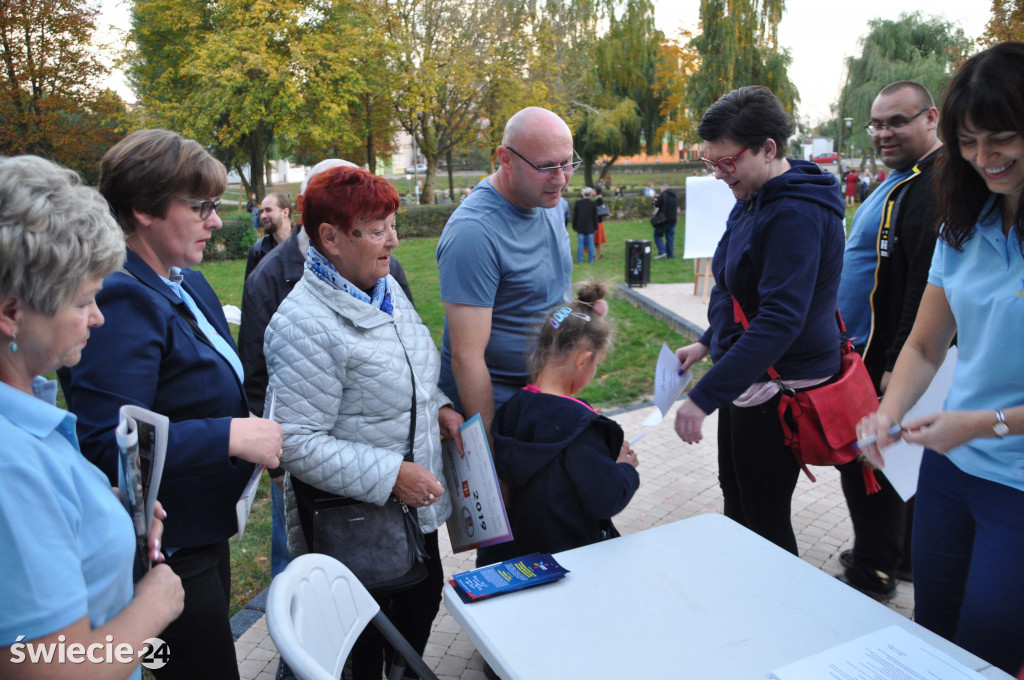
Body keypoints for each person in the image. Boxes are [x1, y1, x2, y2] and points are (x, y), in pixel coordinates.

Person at [59, 129, 283, 680]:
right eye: (200, 206)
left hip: (203, 529)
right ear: (143, 210)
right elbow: (107, 442)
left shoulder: (185, 282)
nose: (216, 220)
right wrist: (229, 436)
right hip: (165, 547)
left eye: (216, 205)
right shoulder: (120, 295)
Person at [856, 42, 1024, 676]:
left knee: (990, 644)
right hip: (953, 472)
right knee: (935, 634)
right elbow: (926, 343)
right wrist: (887, 412)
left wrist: (979, 423)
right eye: (969, 142)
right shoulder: (969, 221)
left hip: (1015, 481)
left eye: (1003, 139)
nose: (985, 160)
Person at [264, 165, 462, 680]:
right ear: (329, 238)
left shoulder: (384, 287)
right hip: (357, 526)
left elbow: (407, 367)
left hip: (411, 515)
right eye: (377, 230)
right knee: (364, 651)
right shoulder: (303, 323)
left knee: (418, 607)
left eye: (392, 225)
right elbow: (296, 443)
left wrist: (438, 405)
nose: (393, 241)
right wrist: (392, 474)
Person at [0, 155, 184, 680]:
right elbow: (54, 671)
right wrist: (155, 604)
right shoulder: (10, 464)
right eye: (83, 302)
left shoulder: (27, 415)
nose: (98, 318)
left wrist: (109, 516)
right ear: (12, 313)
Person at [673, 86, 846, 556]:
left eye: (726, 162)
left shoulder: (794, 211)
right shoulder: (754, 196)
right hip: (748, 377)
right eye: (711, 163)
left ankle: (779, 613)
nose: (719, 174)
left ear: (768, 149)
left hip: (777, 382)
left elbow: (779, 319)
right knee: (738, 499)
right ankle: (745, 598)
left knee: (763, 513)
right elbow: (737, 285)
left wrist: (703, 398)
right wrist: (708, 342)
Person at [436, 105, 574, 568]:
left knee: (555, 537)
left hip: (543, 400)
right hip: (500, 414)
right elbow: (466, 359)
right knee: (510, 558)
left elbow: (548, 304)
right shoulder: (474, 233)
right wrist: (494, 463)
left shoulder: (551, 204)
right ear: (505, 158)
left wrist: (574, 319)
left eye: (568, 162)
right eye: (547, 166)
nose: (561, 178)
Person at [835, 81, 943, 599]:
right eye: (876, 124)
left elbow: (925, 285)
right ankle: (898, 558)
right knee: (895, 458)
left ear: (931, 118)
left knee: (869, 461)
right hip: (871, 349)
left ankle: (872, 571)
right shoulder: (905, 177)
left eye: (896, 121)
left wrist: (896, 363)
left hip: (888, 355)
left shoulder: (935, 186)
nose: (883, 133)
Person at [492, 282, 639, 559]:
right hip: (570, 561)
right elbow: (606, 499)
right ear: (583, 361)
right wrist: (625, 470)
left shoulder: (513, 408)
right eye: (597, 365)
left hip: (520, 557)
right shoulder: (580, 429)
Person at [244, 192, 292, 280]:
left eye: (268, 210)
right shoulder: (258, 251)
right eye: (261, 211)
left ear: (285, 212)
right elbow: (250, 291)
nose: (262, 216)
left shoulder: (307, 247)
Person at [572, 187, 598, 264]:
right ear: (590, 194)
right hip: (590, 227)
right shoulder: (593, 203)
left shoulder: (578, 203)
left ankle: (580, 260)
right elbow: (595, 217)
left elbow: (575, 216)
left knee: (580, 244)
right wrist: (595, 226)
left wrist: (574, 226)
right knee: (591, 244)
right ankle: (591, 260)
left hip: (580, 226)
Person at [652, 183, 678, 259]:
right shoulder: (674, 195)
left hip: (664, 219)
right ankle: (670, 255)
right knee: (670, 237)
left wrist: (654, 201)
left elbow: (657, 204)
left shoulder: (663, 194)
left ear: (663, 188)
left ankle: (662, 251)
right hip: (673, 219)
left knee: (657, 234)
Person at [594, 185, 608, 260]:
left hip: (598, 222)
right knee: (596, 240)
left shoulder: (599, 199)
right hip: (597, 222)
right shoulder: (598, 199)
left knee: (598, 240)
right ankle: (599, 253)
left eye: (594, 190)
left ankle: (599, 255)